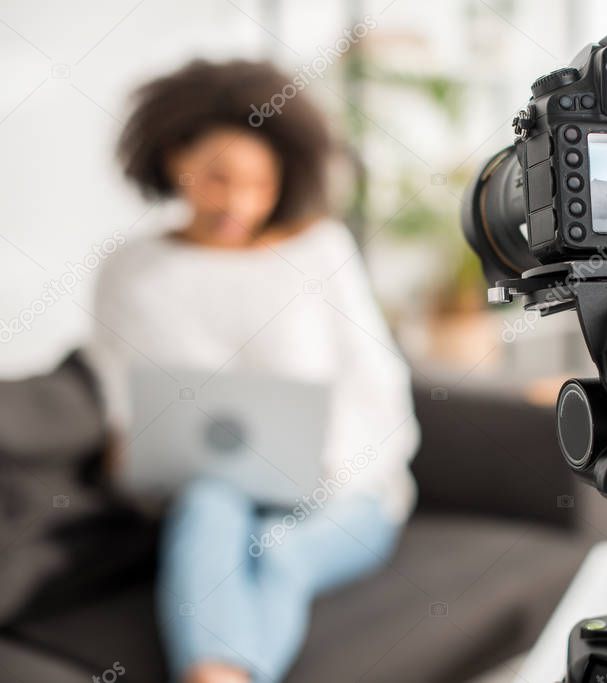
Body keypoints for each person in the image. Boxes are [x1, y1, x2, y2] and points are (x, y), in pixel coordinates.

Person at [84, 60, 419, 683]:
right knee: (210, 501)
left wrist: (321, 474)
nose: (238, 202)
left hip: (349, 499)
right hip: (209, 495)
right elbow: (121, 402)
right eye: (218, 178)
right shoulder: (129, 270)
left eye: (260, 184)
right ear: (172, 157)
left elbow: (381, 395)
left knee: (280, 554)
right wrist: (130, 453)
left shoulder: (319, 249)